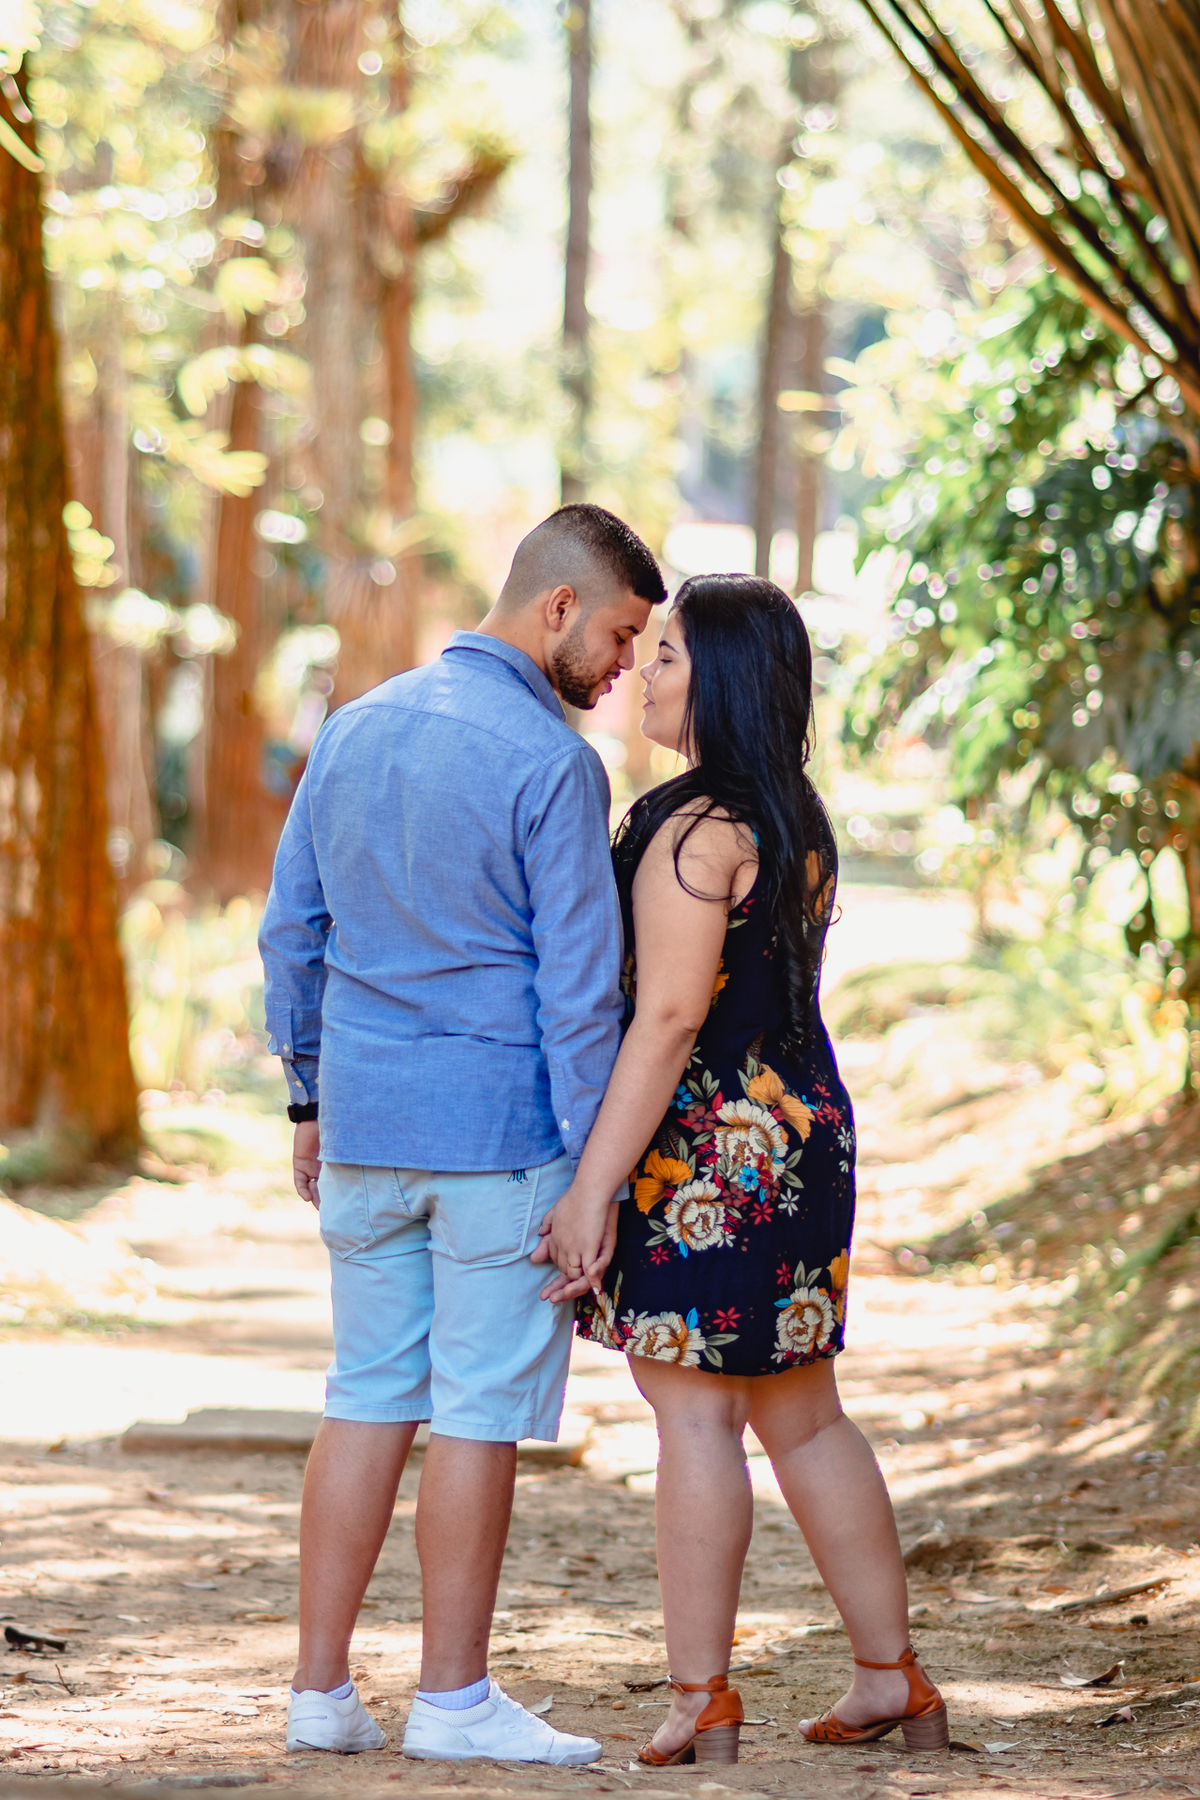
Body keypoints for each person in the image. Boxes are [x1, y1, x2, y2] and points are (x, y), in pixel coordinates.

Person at [259, 504, 665, 1764]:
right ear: (556, 608)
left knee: (366, 1396)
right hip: (500, 1143)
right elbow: (579, 994)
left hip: (368, 1129)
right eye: (619, 634)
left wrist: (310, 1097)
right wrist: (592, 1176)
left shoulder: (355, 725)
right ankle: (450, 1699)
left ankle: (320, 1694)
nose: (626, 667)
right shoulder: (550, 764)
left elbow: (292, 930)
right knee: (478, 1411)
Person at [536, 574, 948, 1763]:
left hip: (707, 1148)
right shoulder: (790, 815)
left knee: (696, 1425)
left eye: (665, 656)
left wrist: (593, 1186)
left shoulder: (689, 828)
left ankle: (701, 1694)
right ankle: (892, 1678)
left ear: (718, 677)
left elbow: (665, 1021)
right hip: (802, 1129)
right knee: (806, 1419)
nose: (645, 675)